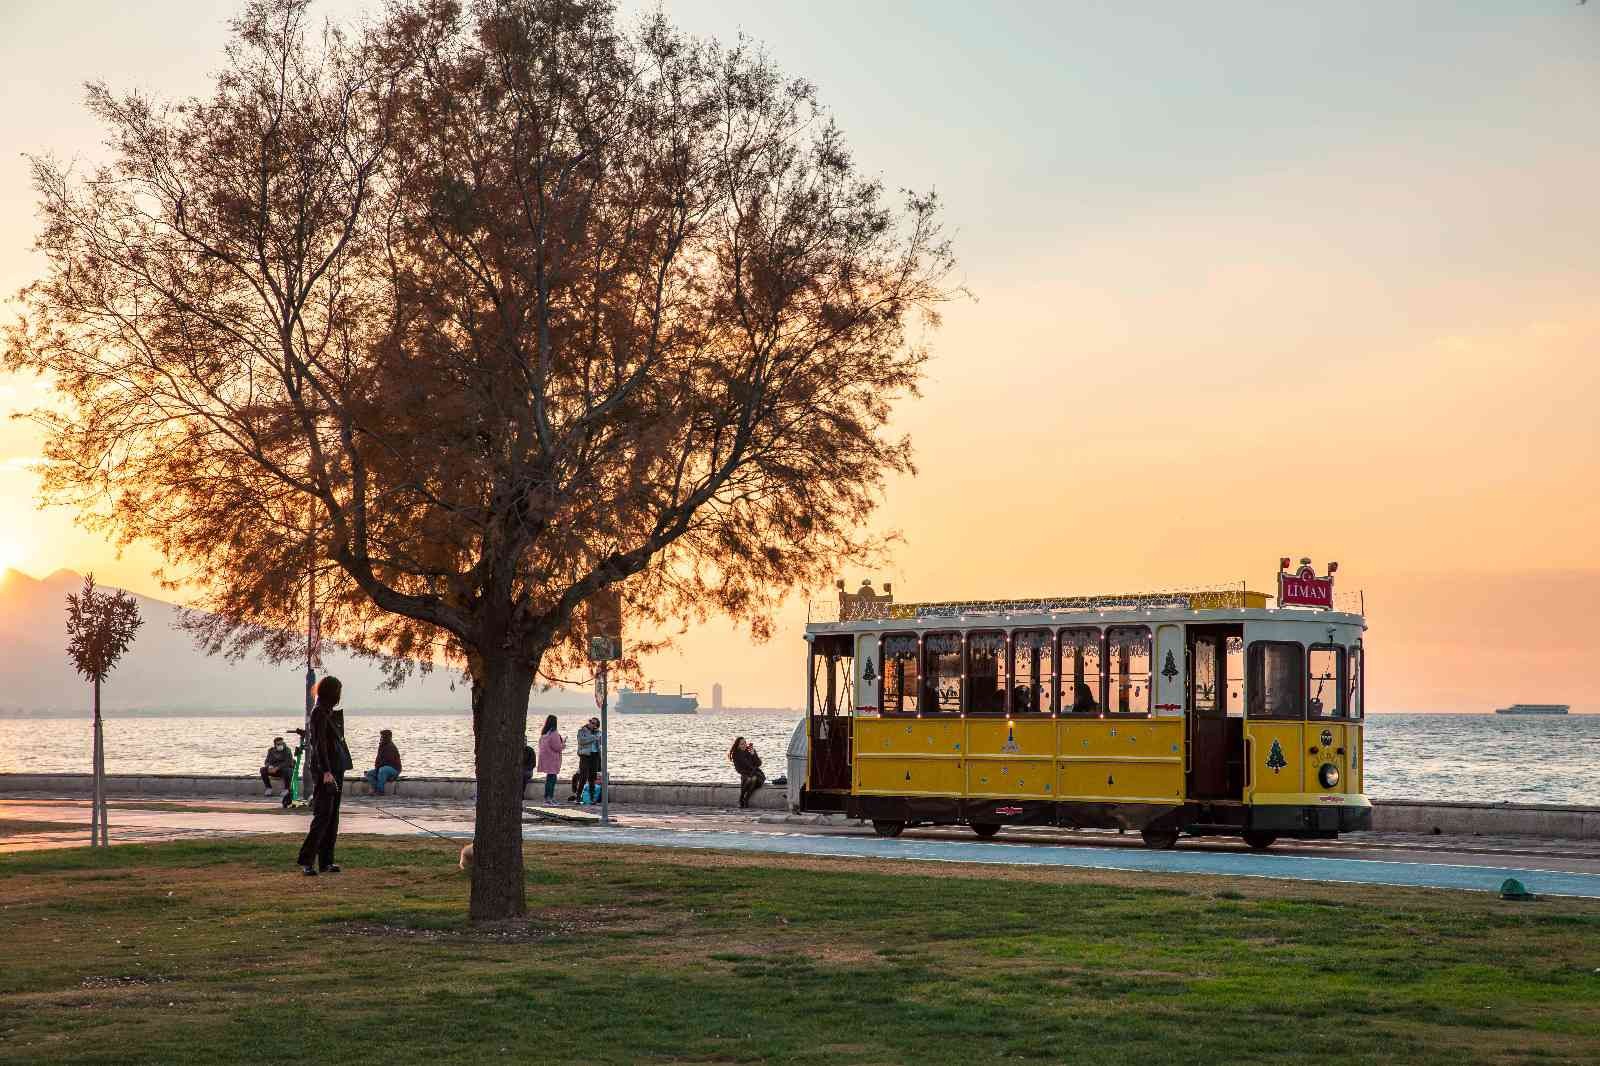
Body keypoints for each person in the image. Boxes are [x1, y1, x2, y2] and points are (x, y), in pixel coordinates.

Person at [297, 676, 353, 876]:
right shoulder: (319, 713)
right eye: (338, 690)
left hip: (337, 768)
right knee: (323, 815)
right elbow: (319, 745)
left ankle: (326, 861)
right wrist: (326, 771)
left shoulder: (328, 712)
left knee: (333, 817)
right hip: (326, 770)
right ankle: (307, 860)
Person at [570, 716, 600, 802]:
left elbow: (600, 743)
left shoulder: (598, 732)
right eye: (591, 721)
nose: (591, 723)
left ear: (596, 725)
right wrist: (594, 737)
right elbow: (582, 741)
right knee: (583, 777)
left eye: (594, 723)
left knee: (592, 778)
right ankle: (578, 796)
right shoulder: (582, 731)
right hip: (585, 755)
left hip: (595, 755)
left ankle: (592, 797)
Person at [363, 728, 402, 795]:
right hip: (382, 768)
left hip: (394, 769)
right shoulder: (381, 746)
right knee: (369, 774)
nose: (381, 738)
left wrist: (378, 768)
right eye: (381, 736)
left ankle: (380, 791)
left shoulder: (391, 747)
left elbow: (388, 762)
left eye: (383, 736)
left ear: (388, 737)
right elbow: (378, 759)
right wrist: (376, 768)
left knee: (383, 770)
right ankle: (375, 789)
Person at [536, 715, 565, 804]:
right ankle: (550, 798)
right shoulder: (554, 733)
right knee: (552, 780)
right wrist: (563, 745)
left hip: (545, 759)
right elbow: (557, 747)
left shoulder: (544, 733)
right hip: (553, 759)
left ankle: (546, 798)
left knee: (549, 779)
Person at [730, 737, 765, 809]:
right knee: (749, 779)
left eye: (745, 743)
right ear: (738, 745)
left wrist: (753, 754)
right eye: (742, 744)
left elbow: (758, 764)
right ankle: (742, 798)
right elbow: (738, 769)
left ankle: (745, 799)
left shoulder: (750, 751)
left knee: (754, 778)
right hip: (745, 774)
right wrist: (748, 773)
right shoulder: (736, 754)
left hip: (757, 774)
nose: (744, 745)